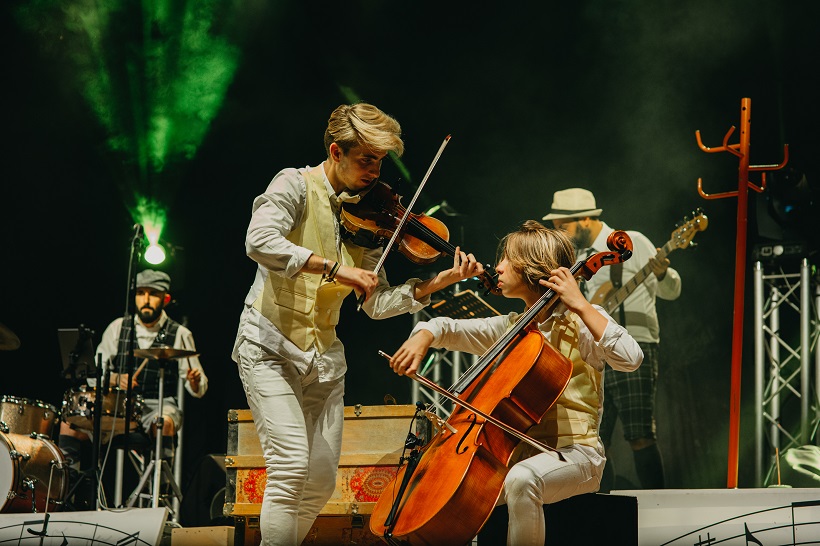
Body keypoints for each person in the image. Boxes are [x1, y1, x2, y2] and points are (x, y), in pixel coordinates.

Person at [231, 102, 484, 545]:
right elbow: (259, 241)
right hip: (269, 345)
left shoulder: (368, 216)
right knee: (290, 467)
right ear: (336, 152)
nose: (375, 170)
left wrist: (436, 282)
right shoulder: (294, 184)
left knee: (320, 482)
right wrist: (334, 268)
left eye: (381, 160)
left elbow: (375, 302)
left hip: (324, 357)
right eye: (366, 159)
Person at [386, 220, 643, 546]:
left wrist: (579, 303)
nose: (499, 267)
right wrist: (422, 337)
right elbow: (444, 326)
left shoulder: (580, 321)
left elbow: (631, 358)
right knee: (466, 496)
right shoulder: (512, 328)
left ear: (533, 269)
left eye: (507, 259)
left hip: (577, 456)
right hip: (519, 456)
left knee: (522, 480)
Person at [542, 188, 681, 490]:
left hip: (635, 344)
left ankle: (657, 502)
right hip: (591, 351)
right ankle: (598, 502)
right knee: (593, 435)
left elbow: (672, 291)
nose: (559, 232)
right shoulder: (576, 259)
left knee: (639, 431)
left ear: (587, 218)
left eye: (563, 226)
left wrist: (661, 274)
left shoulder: (632, 241)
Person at [58, 268, 207, 508]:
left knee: (164, 422)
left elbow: (199, 390)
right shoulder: (118, 327)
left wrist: (194, 380)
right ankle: (67, 496)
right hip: (118, 407)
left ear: (165, 299)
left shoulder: (180, 334)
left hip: (157, 405)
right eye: (140, 293)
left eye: (153, 294)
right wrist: (116, 379)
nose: (146, 300)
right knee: (70, 423)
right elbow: (95, 375)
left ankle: (158, 499)